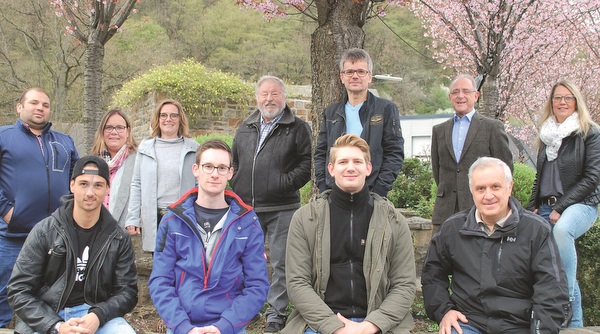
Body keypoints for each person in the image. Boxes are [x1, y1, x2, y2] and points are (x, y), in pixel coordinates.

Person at [283, 134, 416, 334]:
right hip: (320, 323)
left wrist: (369, 326)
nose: (350, 167)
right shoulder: (305, 219)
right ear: (331, 169)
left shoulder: (394, 221)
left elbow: (404, 284)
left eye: (357, 161)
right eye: (343, 161)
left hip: (378, 322)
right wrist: (335, 328)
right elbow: (297, 283)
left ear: (368, 168)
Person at [422, 157, 570, 334]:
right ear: (472, 191)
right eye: (480, 189)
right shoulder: (453, 229)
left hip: (519, 326)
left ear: (510, 187)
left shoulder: (536, 230)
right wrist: (444, 310)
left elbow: (551, 290)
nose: (488, 195)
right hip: (469, 324)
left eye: (495, 187)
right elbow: (432, 274)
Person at [149, 139, 269, 334]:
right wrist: (183, 327)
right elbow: (160, 281)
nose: (215, 174)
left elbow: (257, 285)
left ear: (230, 173)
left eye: (222, 168)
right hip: (183, 323)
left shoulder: (248, 223)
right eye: (208, 167)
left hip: (228, 324)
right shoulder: (172, 221)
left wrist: (224, 326)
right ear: (196, 169)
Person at [7, 156, 138, 334]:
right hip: (47, 316)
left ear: (107, 188)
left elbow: (127, 291)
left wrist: (98, 315)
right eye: (83, 184)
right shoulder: (45, 231)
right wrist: (57, 326)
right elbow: (18, 290)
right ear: (72, 185)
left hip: (93, 314)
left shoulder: (118, 237)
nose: (90, 192)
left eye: (98, 185)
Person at [231, 75, 312, 333]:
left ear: (284, 97)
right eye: (264, 94)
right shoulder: (246, 126)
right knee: (244, 261)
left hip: (282, 208)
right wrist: (237, 184)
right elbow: (234, 162)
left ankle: (275, 313)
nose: (269, 98)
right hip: (246, 208)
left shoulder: (297, 127)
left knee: (281, 263)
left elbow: (306, 165)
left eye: (275, 93)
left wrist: (283, 183)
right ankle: (247, 309)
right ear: (257, 97)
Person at [0, 87, 79, 327]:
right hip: (13, 235)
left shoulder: (64, 141)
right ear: (19, 107)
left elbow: (76, 181)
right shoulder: (3, 136)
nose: (40, 108)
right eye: (34, 103)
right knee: (4, 292)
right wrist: (6, 212)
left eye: (45, 105)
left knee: (49, 295)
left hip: (54, 236)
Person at [526, 80, 600, 328]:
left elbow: (592, 178)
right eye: (558, 98)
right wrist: (533, 206)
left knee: (562, 230)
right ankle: (575, 326)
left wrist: (560, 208)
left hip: (581, 204)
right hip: (546, 206)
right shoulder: (546, 135)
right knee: (557, 262)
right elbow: (540, 176)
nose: (562, 102)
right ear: (551, 102)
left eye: (568, 98)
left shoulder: (589, 132)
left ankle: (563, 302)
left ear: (576, 101)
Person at [314, 48, 404, 197]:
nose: (355, 76)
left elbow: (394, 153)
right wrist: (324, 187)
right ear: (342, 77)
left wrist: (379, 190)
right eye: (349, 72)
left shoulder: (385, 109)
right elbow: (321, 153)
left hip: (372, 192)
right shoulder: (331, 113)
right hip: (335, 194)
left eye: (361, 71)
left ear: (370, 76)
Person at [430, 74, 513, 232]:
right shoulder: (439, 131)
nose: (460, 96)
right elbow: (437, 171)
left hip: (481, 210)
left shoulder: (492, 128)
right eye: (455, 92)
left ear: (476, 96)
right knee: (439, 255)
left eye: (466, 91)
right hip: (445, 211)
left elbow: (506, 169)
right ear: (450, 97)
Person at [125, 99, 199, 252]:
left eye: (173, 115)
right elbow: (137, 184)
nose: (168, 119)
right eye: (163, 115)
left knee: (185, 267)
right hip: (156, 218)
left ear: (180, 119)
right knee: (160, 269)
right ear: (157, 119)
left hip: (183, 217)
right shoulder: (145, 148)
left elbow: (199, 184)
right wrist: (133, 218)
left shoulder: (193, 148)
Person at [91, 108, 138, 228]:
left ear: (128, 132)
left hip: (126, 234)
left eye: (120, 127)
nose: (114, 132)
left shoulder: (139, 161)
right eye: (109, 127)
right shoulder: (92, 163)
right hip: (95, 230)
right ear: (102, 131)